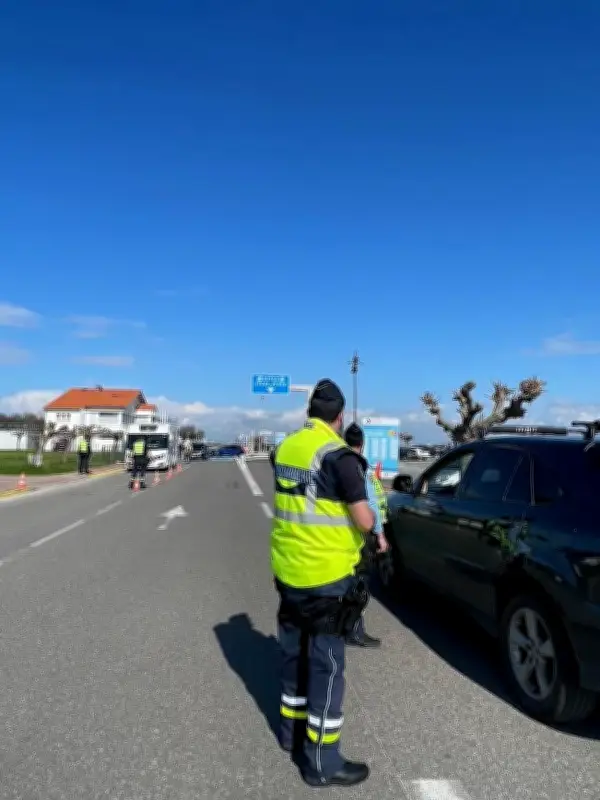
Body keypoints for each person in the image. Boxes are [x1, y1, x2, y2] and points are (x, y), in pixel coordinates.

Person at [271, 378, 375, 788]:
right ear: (340, 417)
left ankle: (289, 735)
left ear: (308, 412)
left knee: (293, 654)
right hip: (327, 577)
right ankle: (321, 762)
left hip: (288, 571)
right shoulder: (340, 457)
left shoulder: (286, 448)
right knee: (327, 665)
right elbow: (364, 519)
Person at [343, 422, 390, 648]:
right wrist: (380, 534)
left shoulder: (335, 464)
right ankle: (352, 630)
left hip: (335, 536)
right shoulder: (361, 468)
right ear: (362, 445)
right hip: (360, 536)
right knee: (360, 585)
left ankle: (342, 626)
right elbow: (370, 503)